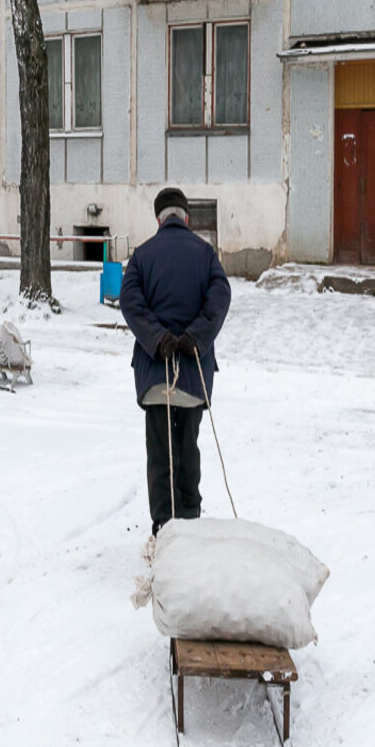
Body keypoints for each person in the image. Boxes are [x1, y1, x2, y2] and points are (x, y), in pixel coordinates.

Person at [119, 187, 231, 535]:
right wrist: (195, 338)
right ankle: (189, 523)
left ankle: (164, 528)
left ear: (158, 219)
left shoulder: (142, 255)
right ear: (186, 217)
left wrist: (159, 338)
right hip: (193, 377)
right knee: (188, 451)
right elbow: (220, 296)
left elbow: (131, 303)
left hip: (156, 376)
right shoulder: (206, 253)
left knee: (160, 455)